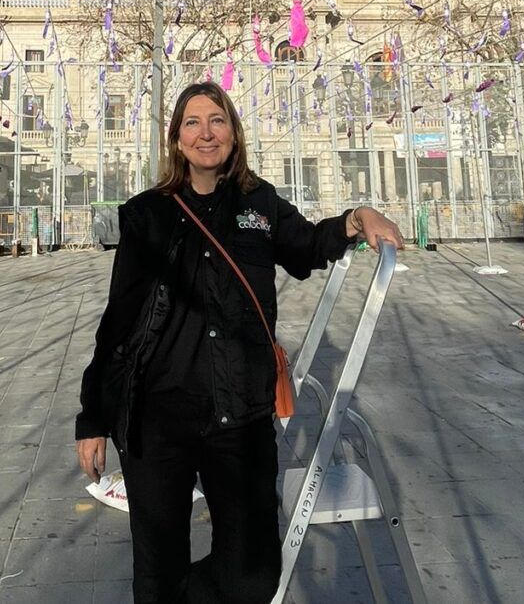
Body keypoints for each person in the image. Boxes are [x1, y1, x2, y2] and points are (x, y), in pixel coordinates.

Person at [74, 82, 404, 603]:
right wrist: (92, 417)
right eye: (193, 123)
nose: (206, 133)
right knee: (157, 573)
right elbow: (118, 321)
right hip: (157, 418)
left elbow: (309, 246)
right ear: (177, 140)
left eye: (217, 120)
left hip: (240, 415)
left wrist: (357, 219)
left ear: (233, 133)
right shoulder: (147, 215)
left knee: (252, 575)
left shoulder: (260, 204)